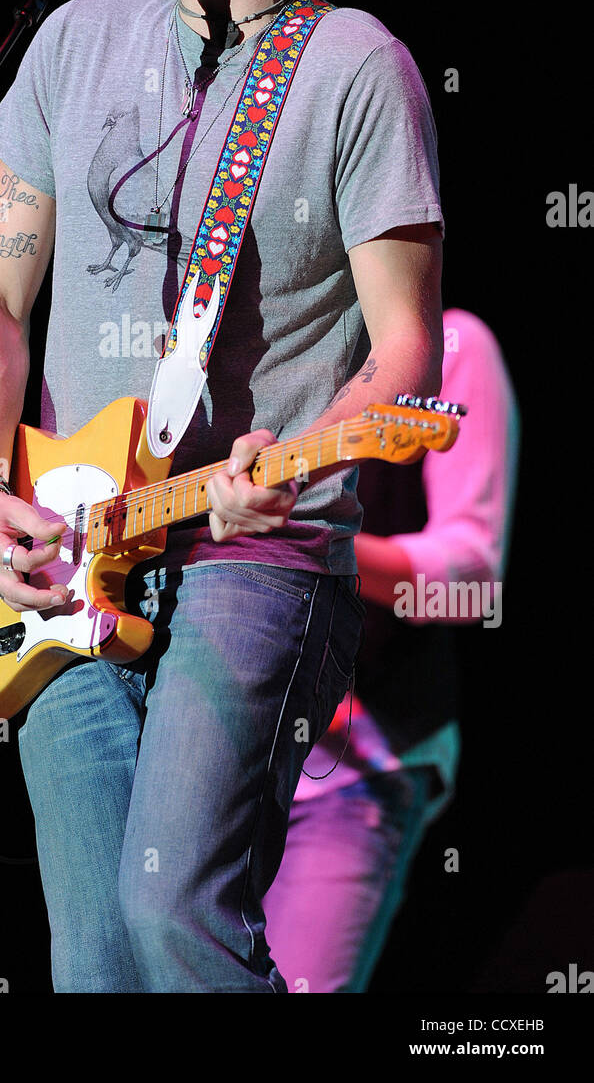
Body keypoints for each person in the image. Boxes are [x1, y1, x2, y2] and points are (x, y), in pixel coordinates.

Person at [0, 0, 445, 993]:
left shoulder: (353, 68)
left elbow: (405, 348)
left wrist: (305, 443)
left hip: (253, 554)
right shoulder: (73, 40)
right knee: (98, 960)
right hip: (62, 560)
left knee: (174, 917)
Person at [262, 308, 520, 992]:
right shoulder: (250, 337)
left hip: (357, 755)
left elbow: (471, 582)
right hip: (215, 742)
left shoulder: (456, 342)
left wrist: (319, 544)